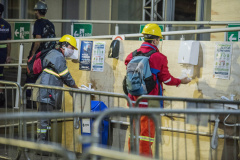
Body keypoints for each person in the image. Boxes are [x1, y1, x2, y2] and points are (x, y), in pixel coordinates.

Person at [124, 23, 191, 157]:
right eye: (158, 39)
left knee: (134, 132)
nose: (158, 42)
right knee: (146, 136)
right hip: (151, 102)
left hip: (133, 100)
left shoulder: (131, 55)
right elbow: (167, 80)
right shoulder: (159, 57)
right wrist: (181, 81)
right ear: (155, 40)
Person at [33, 35, 78, 144]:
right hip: (46, 92)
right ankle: (41, 145)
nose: (72, 51)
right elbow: (65, 75)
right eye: (71, 48)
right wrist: (75, 87)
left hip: (46, 92)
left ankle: (45, 143)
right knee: (43, 121)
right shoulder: (57, 56)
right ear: (64, 45)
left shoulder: (55, 54)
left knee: (46, 120)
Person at [26, 1, 56, 104]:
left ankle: (30, 100)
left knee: (31, 75)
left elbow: (37, 41)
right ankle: (40, 99)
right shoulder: (50, 24)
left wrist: (32, 54)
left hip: (39, 55)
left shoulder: (38, 23)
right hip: (48, 54)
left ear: (37, 11)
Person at [0, 3, 11, 106]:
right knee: (1, 74)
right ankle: (1, 95)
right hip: (2, 54)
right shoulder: (7, 25)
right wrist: (8, 56)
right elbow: (9, 43)